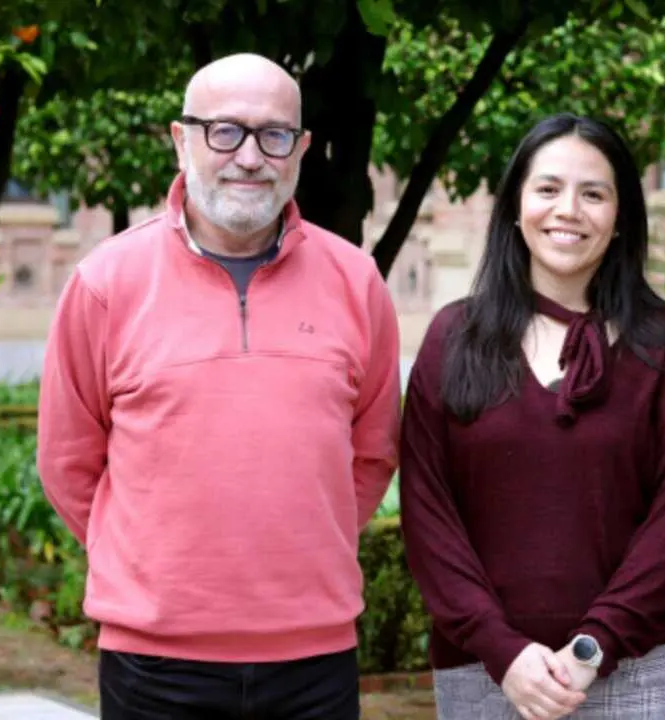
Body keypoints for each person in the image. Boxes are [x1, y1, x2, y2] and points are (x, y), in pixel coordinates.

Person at [36, 52, 401, 719]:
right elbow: (67, 461)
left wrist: (295, 543)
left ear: (302, 149)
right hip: (155, 666)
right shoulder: (104, 284)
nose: (250, 157)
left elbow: (372, 453)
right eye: (224, 131)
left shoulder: (357, 283)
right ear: (182, 140)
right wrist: (155, 561)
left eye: (274, 134)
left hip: (313, 662)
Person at [399, 113, 665, 720]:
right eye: (548, 189)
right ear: (516, 206)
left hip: (646, 679)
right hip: (486, 677)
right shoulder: (452, 339)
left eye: (593, 193)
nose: (568, 210)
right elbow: (427, 516)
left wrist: (593, 648)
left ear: (620, 219)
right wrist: (504, 653)